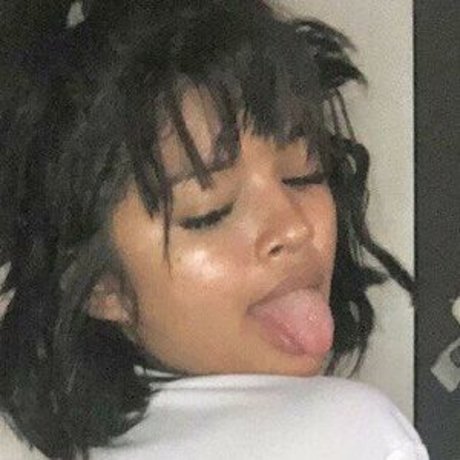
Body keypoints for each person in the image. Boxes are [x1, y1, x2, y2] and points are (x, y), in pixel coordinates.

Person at [0, 1, 428, 459]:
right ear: (103, 286)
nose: (294, 228)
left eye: (303, 174)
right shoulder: (351, 433)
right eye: (211, 212)